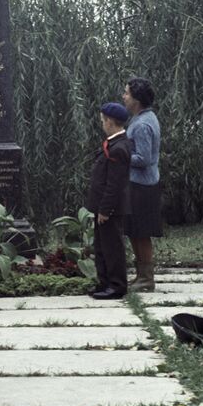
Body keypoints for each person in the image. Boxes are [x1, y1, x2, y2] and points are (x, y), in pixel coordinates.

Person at [86, 102, 132, 299]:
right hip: (102, 206)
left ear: (110, 122)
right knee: (102, 246)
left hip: (110, 208)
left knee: (112, 247)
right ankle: (104, 282)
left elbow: (115, 184)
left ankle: (116, 285)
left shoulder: (119, 148)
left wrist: (105, 209)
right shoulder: (113, 144)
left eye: (103, 121)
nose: (102, 124)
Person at [122, 77, 163, 293]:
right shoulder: (141, 119)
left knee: (141, 232)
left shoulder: (143, 124)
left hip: (142, 186)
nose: (124, 97)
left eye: (127, 93)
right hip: (139, 184)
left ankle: (147, 278)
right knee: (135, 231)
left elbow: (144, 159)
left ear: (136, 99)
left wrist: (121, 155)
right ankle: (141, 275)